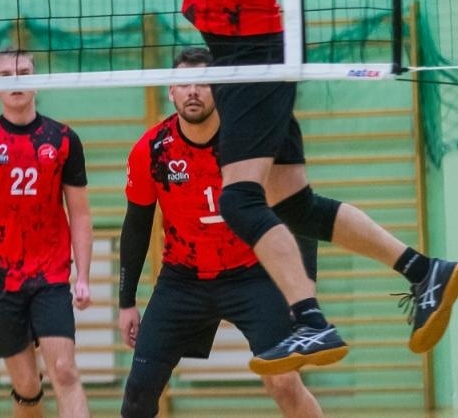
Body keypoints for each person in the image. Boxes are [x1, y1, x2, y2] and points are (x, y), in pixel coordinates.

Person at [77, 0, 458, 374]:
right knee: (294, 203)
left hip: (250, 56)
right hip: (253, 50)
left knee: (238, 200)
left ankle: (310, 320)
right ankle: (421, 270)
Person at [117, 48, 321, 418]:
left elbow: (295, 210)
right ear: (171, 92)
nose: (193, 90)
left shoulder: (249, 143)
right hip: (183, 280)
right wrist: (126, 301)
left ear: (221, 89)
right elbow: (136, 225)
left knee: (284, 383)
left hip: (253, 275)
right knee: (137, 393)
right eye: (184, 83)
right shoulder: (152, 150)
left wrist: (302, 288)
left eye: (204, 82)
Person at [0, 50, 93, 418]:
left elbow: (80, 213)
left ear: (36, 80)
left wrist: (84, 277)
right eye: (6, 74)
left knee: (64, 371)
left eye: (24, 71)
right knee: (27, 388)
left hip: (50, 275)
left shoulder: (62, 139)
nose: (16, 79)